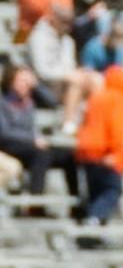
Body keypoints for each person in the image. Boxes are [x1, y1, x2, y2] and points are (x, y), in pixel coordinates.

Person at [0, 60, 81, 211]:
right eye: (21, 80)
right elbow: (4, 132)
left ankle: (76, 205)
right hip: (9, 145)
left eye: (27, 81)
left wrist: (36, 84)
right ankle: (35, 204)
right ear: (10, 81)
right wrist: (32, 139)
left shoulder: (29, 101)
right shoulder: (3, 102)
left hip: (32, 144)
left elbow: (52, 102)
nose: (25, 84)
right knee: (41, 154)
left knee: (68, 156)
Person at [72, 64, 123, 227]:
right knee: (112, 190)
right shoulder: (118, 99)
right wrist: (116, 153)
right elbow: (116, 129)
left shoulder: (97, 96)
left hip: (87, 150)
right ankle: (94, 219)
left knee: (95, 192)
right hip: (105, 151)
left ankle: (93, 233)